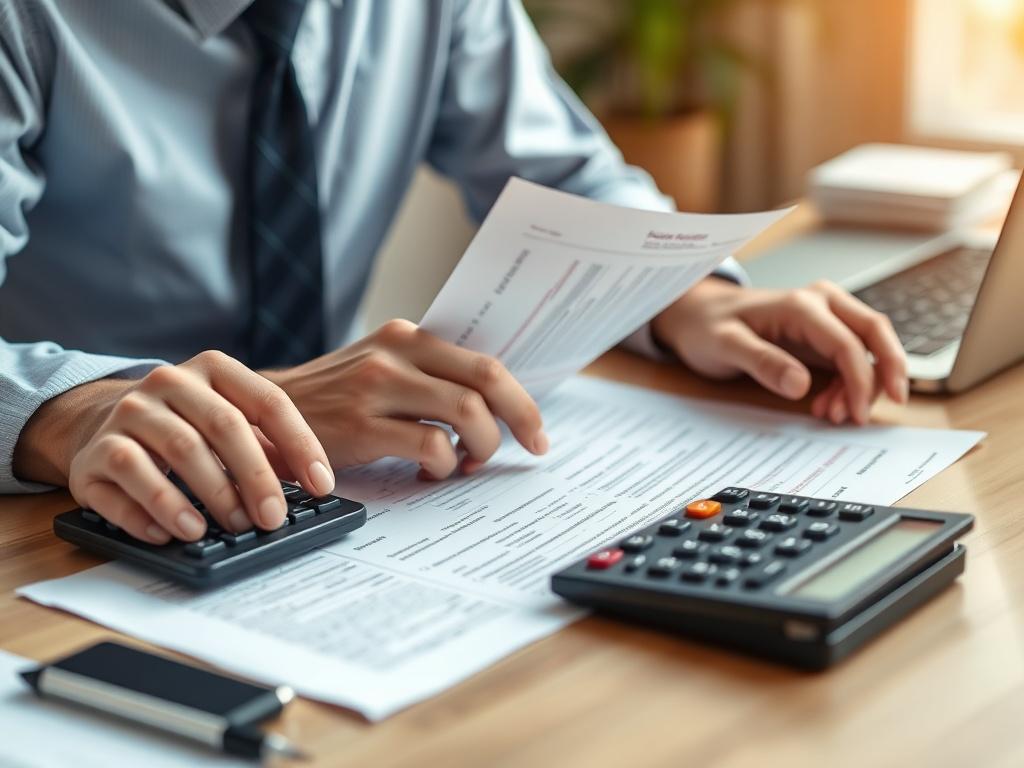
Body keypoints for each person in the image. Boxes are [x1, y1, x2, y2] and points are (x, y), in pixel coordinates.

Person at [0, 0, 907, 545]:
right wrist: (70, 413)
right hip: (57, 524)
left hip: (328, 504)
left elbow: (564, 177)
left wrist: (689, 297)